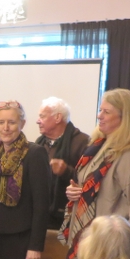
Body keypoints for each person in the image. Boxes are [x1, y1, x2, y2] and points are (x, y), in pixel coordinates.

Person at [61, 88, 130, 259]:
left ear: (125, 118)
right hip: (89, 239)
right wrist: (75, 192)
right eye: (100, 110)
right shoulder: (97, 147)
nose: (100, 116)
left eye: (106, 112)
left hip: (111, 248)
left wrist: (128, 249)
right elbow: (92, 188)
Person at [0, 100, 52, 259]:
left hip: (19, 239)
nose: (6, 128)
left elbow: (41, 205)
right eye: (1, 122)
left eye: (12, 122)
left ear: (22, 123)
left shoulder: (35, 154)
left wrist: (35, 246)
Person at [35, 97, 90, 230]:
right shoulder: (39, 143)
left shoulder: (83, 142)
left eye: (42, 116)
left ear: (58, 118)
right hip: (41, 214)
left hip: (70, 218)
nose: (38, 121)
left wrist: (66, 171)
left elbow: (91, 180)